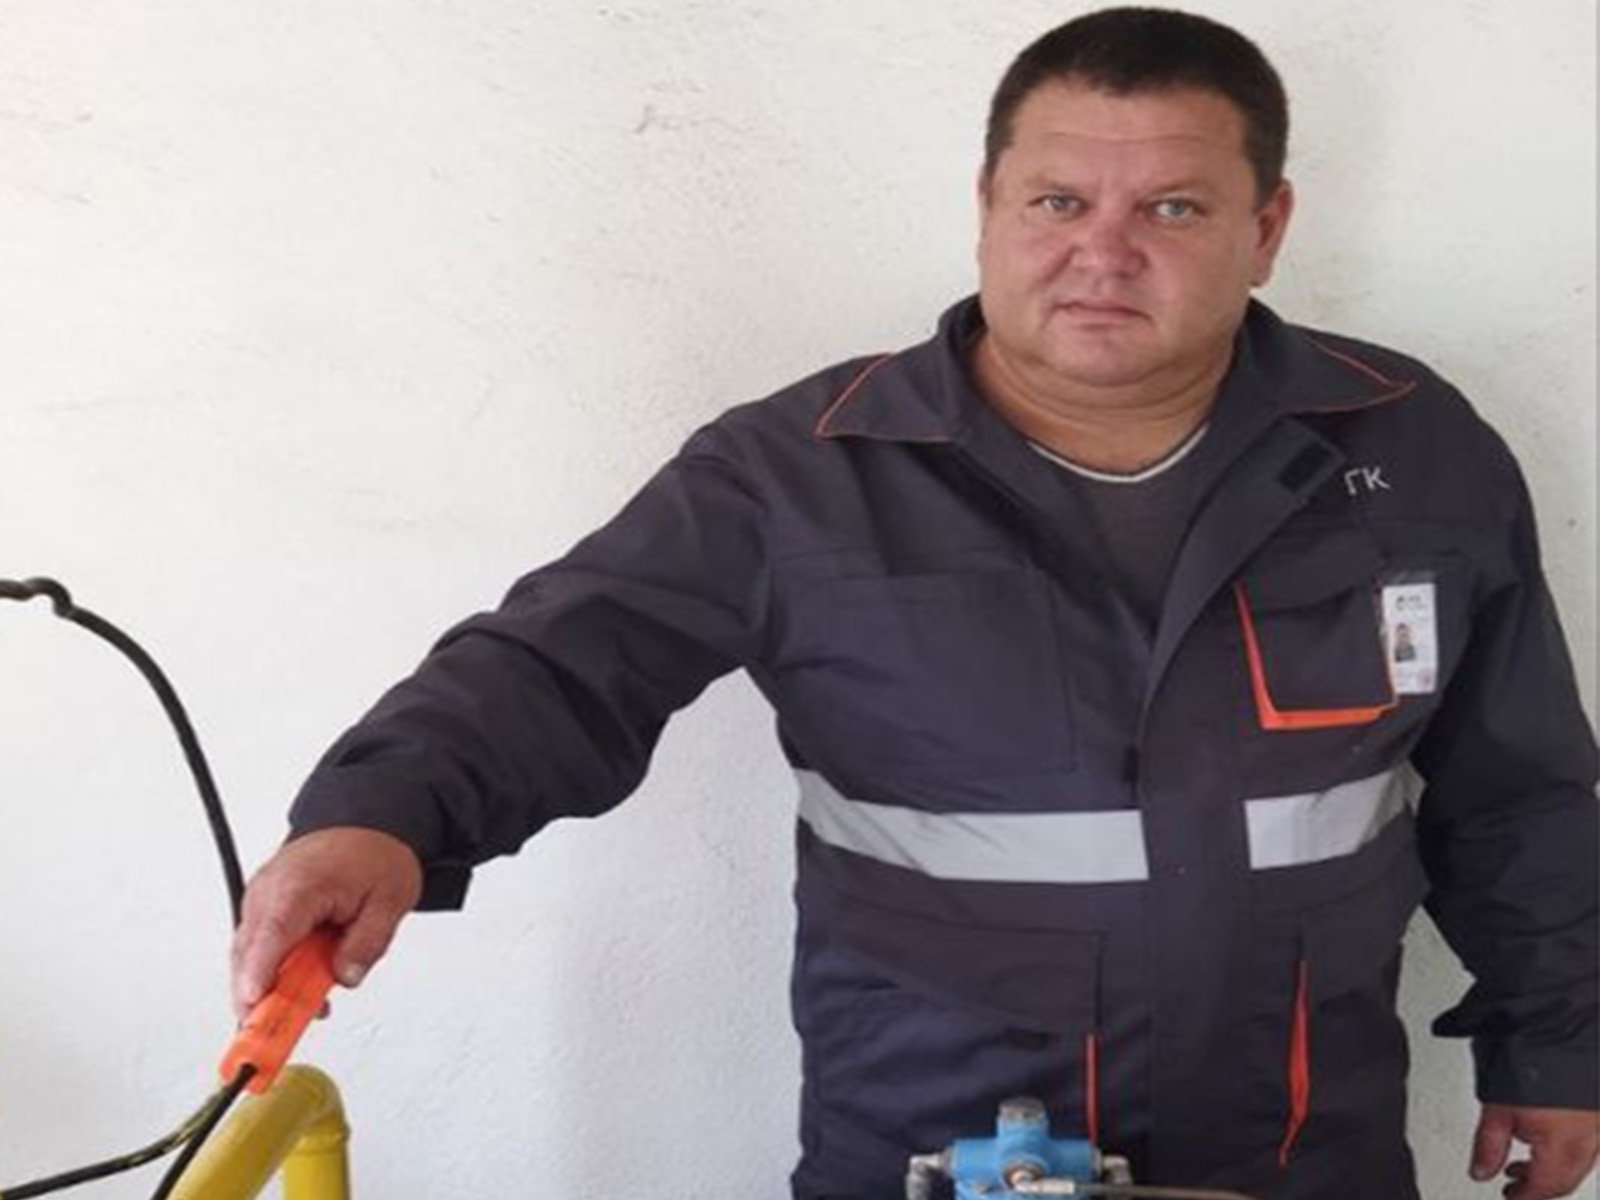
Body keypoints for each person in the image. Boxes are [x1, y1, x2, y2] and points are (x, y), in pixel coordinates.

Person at [230, 9, 1599, 1199]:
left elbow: (1519, 789)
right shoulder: (802, 475)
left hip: (1301, 1150)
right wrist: (381, 813)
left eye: (1173, 209)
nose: (1104, 252)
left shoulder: (1412, 451)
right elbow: (562, 663)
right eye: (1057, 201)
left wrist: (1562, 1045)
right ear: (988, 206)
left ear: (1268, 228)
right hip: (933, 1151)